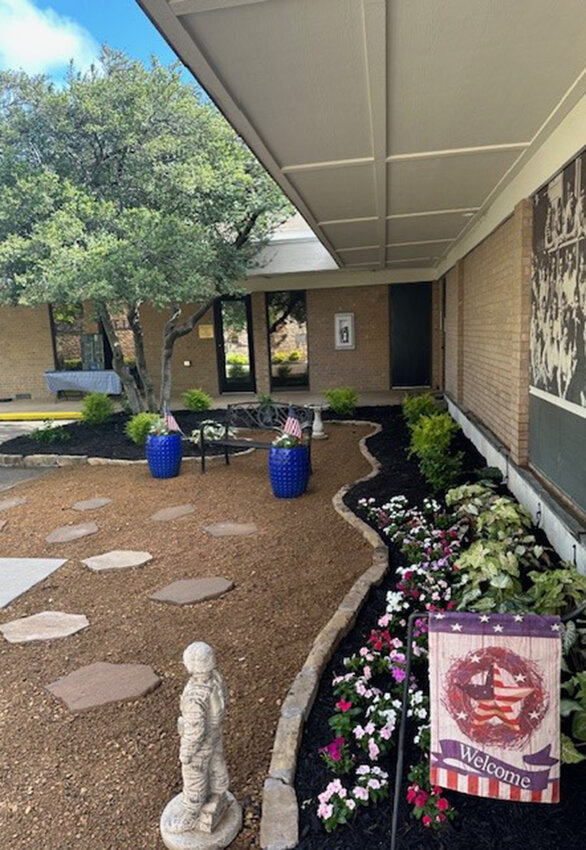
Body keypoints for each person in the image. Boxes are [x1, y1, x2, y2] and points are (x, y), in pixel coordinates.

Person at [166, 642, 230, 835]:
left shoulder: (196, 694)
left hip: (201, 744)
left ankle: (191, 814)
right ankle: (219, 793)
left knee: (194, 774)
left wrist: (186, 752)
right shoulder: (216, 679)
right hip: (215, 734)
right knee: (216, 763)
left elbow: (195, 729)